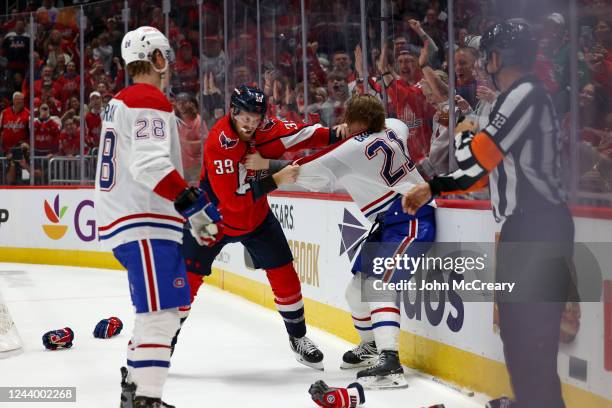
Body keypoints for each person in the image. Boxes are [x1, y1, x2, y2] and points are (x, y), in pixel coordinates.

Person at [402, 20, 574, 408]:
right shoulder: (519, 97)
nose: (483, 65)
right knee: (521, 335)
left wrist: (463, 127)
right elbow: (481, 171)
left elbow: (476, 158)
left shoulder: (523, 94)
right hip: (530, 227)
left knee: (530, 337)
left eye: (486, 57)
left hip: (537, 228)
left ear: (499, 57)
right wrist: (434, 187)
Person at [176, 85, 350, 370]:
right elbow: (233, 202)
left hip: (256, 218)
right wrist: (277, 179)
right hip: (213, 220)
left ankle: (298, 338)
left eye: (256, 118)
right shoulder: (219, 143)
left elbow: (302, 133)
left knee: (285, 273)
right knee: (186, 282)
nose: (251, 123)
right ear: (233, 112)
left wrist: (339, 132)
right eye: (245, 117)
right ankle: (162, 344)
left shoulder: (265, 129)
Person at [94, 26, 221, 408]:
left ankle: (134, 388)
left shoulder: (121, 100)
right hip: (143, 221)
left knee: (161, 312)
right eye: (167, 59)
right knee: (162, 315)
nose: (170, 68)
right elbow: (150, 165)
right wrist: (191, 204)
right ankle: (147, 399)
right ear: (158, 59)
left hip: (136, 220)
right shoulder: (147, 98)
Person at [292, 95, 436, 389]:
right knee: (355, 291)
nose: (345, 124)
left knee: (378, 285)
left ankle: (390, 361)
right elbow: (400, 127)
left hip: (410, 217)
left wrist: (267, 167)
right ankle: (371, 347)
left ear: (358, 122)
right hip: (391, 220)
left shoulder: (351, 148)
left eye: (349, 119)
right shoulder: (394, 127)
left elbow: (306, 167)